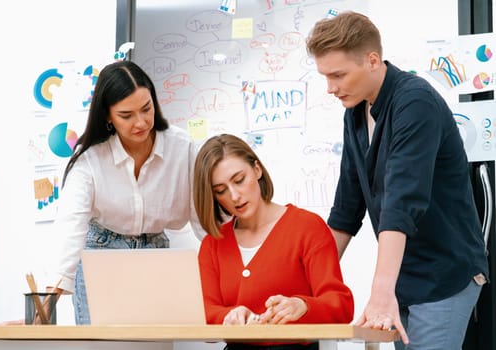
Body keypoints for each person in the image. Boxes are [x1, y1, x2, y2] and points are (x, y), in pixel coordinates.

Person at [305, 11, 489, 349]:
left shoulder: (414, 102)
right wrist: (307, 294)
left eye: (339, 75)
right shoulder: (355, 114)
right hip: (405, 278)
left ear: (372, 60)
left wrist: (380, 291)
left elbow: (401, 203)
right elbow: (346, 211)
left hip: (443, 275)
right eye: (325, 77)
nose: (330, 88)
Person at [45, 60, 204, 324]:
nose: (141, 122)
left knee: (152, 343)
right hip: (100, 253)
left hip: (156, 253)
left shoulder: (182, 147)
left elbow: (203, 220)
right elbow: (70, 229)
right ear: (107, 115)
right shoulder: (90, 159)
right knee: (100, 345)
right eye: (126, 116)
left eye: (146, 109)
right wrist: (46, 306)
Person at [193, 134, 354, 350]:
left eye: (239, 180)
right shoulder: (213, 244)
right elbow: (206, 311)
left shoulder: (307, 227)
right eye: (220, 191)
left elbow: (340, 304)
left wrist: (303, 306)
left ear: (257, 170)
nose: (234, 196)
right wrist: (228, 316)